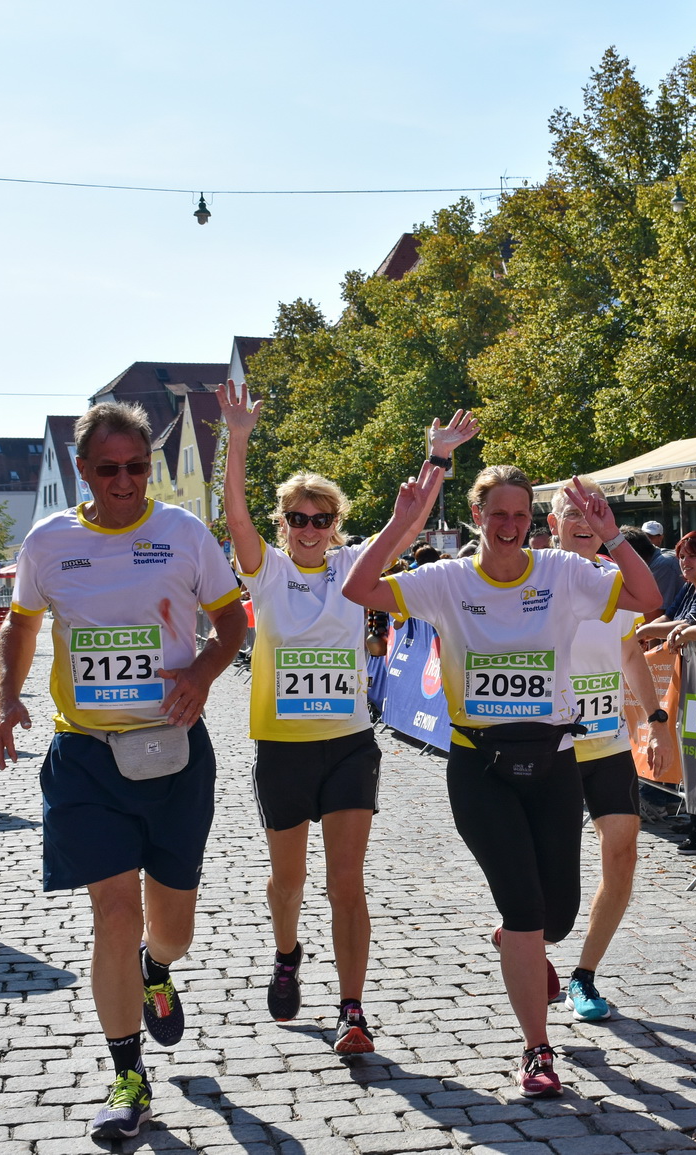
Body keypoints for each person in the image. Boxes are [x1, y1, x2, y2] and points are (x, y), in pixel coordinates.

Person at [342, 458, 661, 1100]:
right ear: (477, 516)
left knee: (557, 918)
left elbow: (647, 600)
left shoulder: (563, 572)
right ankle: (537, 1049)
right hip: (480, 765)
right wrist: (402, 525)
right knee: (524, 908)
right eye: (497, 514)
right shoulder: (448, 579)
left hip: (554, 760)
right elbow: (359, 589)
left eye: (519, 514)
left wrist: (612, 533)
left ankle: (520, 940)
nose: (509, 525)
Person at [0, 401, 248, 1141]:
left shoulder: (183, 533)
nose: (126, 481)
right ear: (83, 470)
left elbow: (233, 621)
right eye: (110, 469)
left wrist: (201, 672)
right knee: (112, 912)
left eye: (137, 466)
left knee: (173, 929)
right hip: (86, 754)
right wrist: (6, 696)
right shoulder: (49, 542)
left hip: (173, 753)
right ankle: (128, 1076)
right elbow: (19, 624)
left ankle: (156, 968)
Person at [219, 381, 477, 1054]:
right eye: (298, 518)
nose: (309, 528)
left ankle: (351, 1010)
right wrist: (238, 438)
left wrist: (438, 456)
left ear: (335, 524)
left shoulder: (351, 569)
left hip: (348, 746)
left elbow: (407, 523)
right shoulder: (266, 571)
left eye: (320, 518)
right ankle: (286, 954)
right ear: (284, 525)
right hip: (283, 748)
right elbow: (234, 515)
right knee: (289, 882)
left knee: (345, 883)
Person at [550, 486, 671, 1022]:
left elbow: (629, 653)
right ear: (553, 524)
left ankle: (584, 974)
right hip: (549, 750)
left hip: (606, 743)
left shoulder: (617, 581)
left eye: (593, 512)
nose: (583, 521)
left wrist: (657, 721)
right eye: (572, 513)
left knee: (622, 854)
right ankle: (525, 935)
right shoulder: (532, 577)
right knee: (549, 874)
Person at [637, 531, 696, 643]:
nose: (685, 562)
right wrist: (644, 633)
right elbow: (667, 617)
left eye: (692, 556)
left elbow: (689, 624)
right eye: (682, 557)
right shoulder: (689, 585)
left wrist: (644, 631)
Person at [641, 520, 685, 614]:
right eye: (644, 536)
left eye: (651, 536)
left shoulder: (665, 563)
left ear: (660, 538)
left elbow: (657, 610)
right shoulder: (661, 559)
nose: (647, 540)